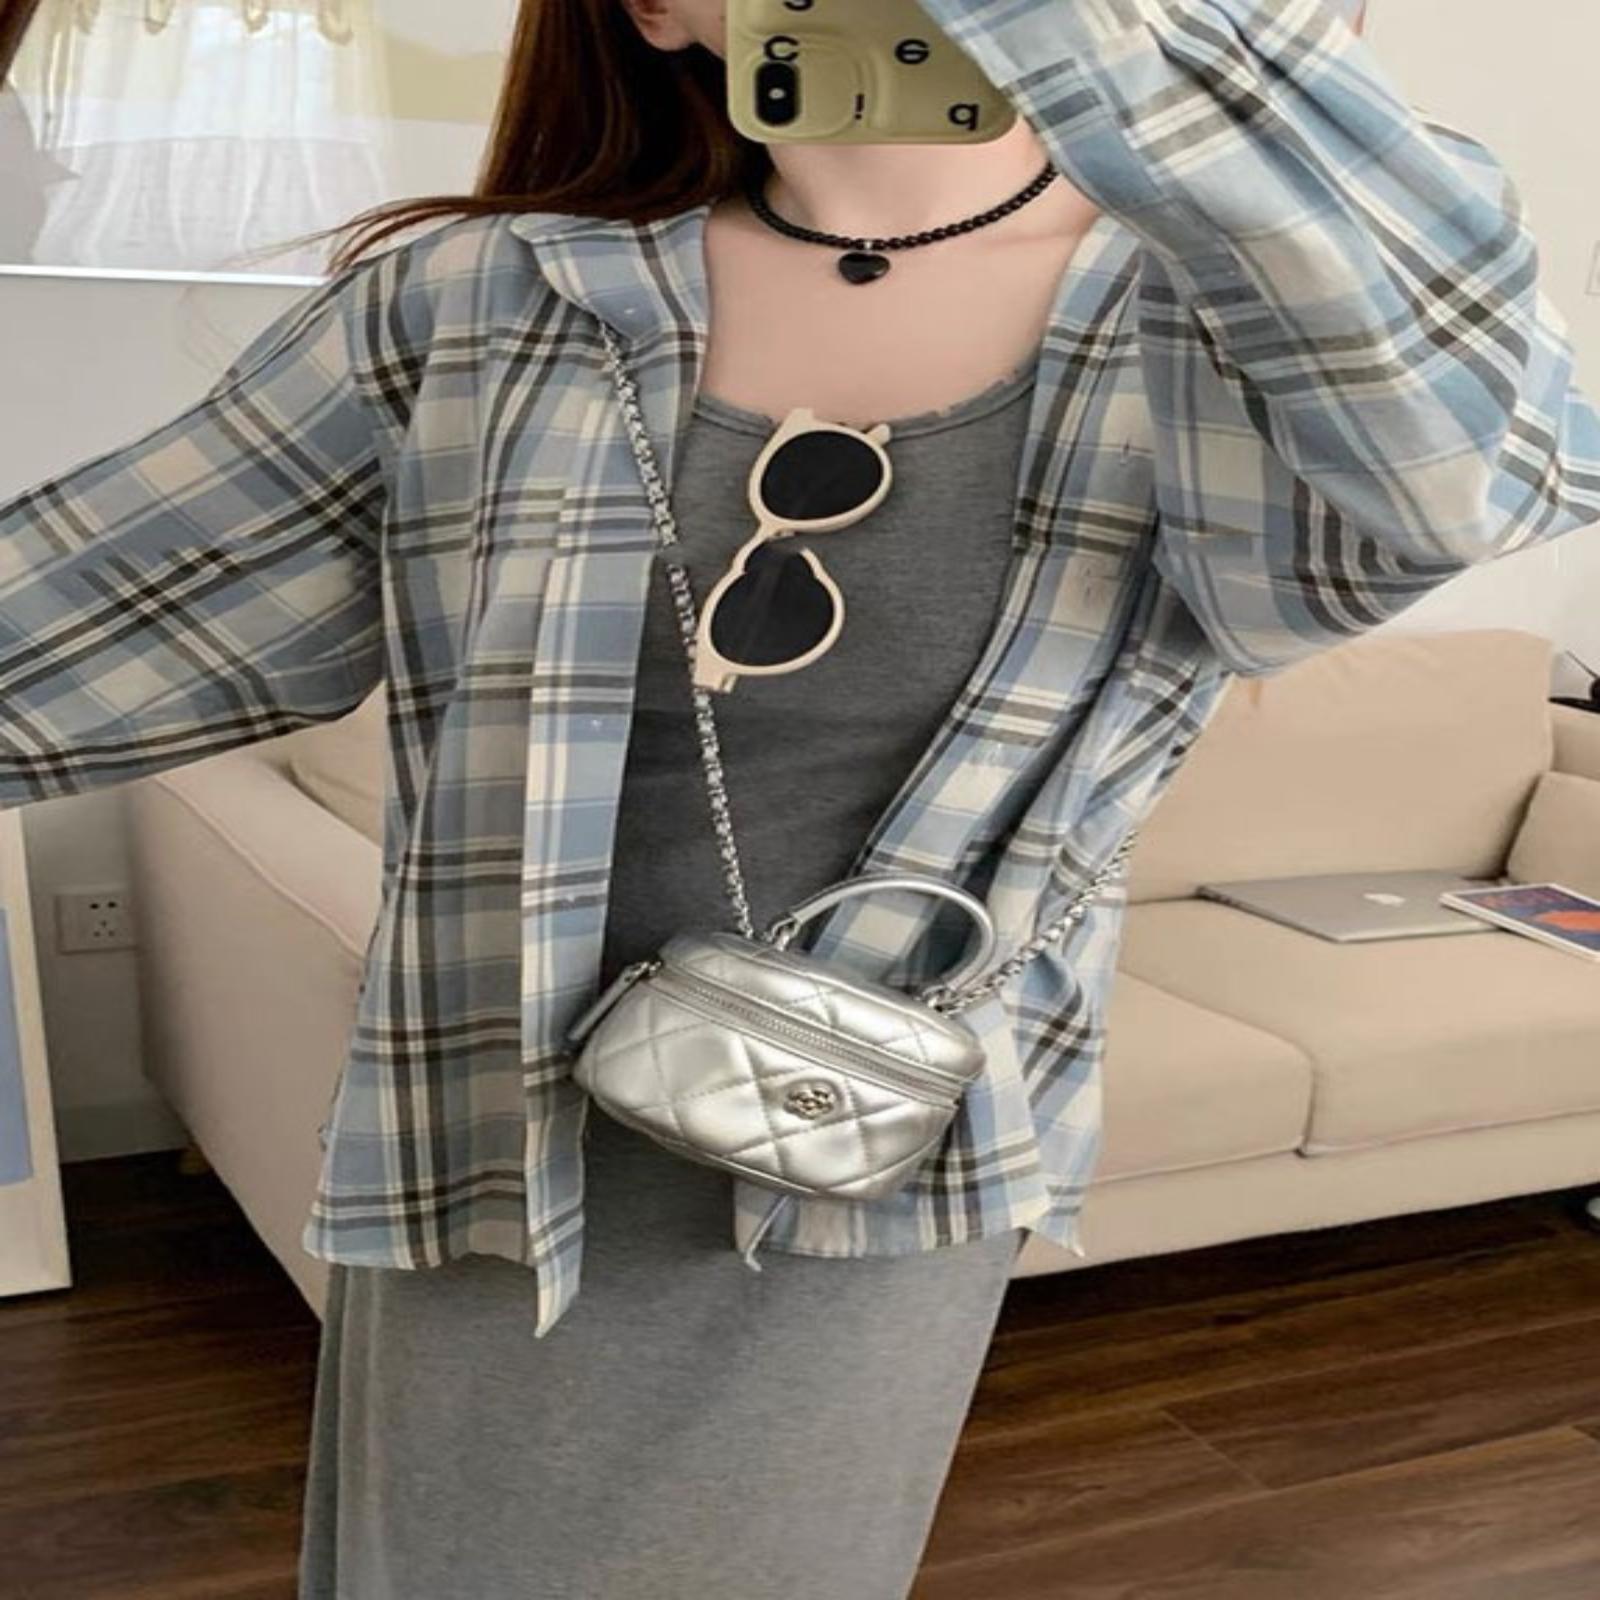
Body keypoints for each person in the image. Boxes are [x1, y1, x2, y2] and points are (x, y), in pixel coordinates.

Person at [1, 2, 1597, 1596]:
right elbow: (107, 618)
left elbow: (1484, 476)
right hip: (494, 1139)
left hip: (871, 1158)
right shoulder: (484, 299)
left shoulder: (1215, 329)